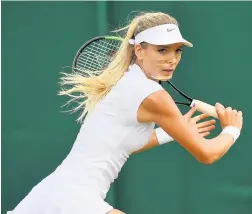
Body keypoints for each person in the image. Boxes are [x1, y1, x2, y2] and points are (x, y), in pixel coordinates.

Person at [7, 12, 243, 214]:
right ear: (139, 50)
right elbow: (207, 154)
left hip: (50, 194)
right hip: (73, 200)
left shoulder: (125, 79)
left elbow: (119, 143)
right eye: (162, 50)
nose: (172, 59)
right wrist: (232, 129)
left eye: (177, 50)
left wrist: (171, 133)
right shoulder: (153, 96)